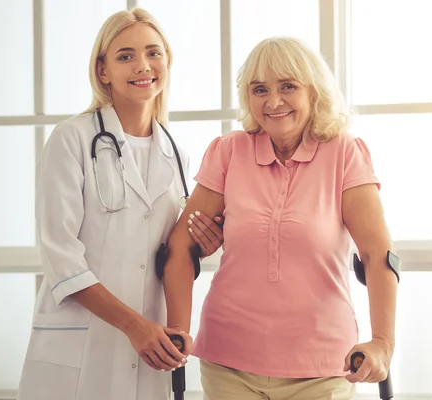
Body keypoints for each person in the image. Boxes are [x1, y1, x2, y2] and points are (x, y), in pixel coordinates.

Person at [162, 36, 398, 400]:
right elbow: (180, 245)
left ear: (314, 92)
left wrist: (382, 342)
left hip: (322, 365)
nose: (273, 102)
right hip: (230, 362)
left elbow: (377, 255)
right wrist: (177, 327)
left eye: (288, 86)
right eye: (259, 90)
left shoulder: (344, 154)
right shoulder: (229, 152)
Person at [16, 8, 224, 400]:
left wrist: (199, 246)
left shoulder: (176, 153)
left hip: (150, 346)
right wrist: (133, 325)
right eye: (125, 56)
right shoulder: (71, 139)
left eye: (153, 53)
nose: (142, 65)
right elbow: (61, 258)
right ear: (103, 71)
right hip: (82, 343)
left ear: (167, 62)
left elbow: (166, 253)